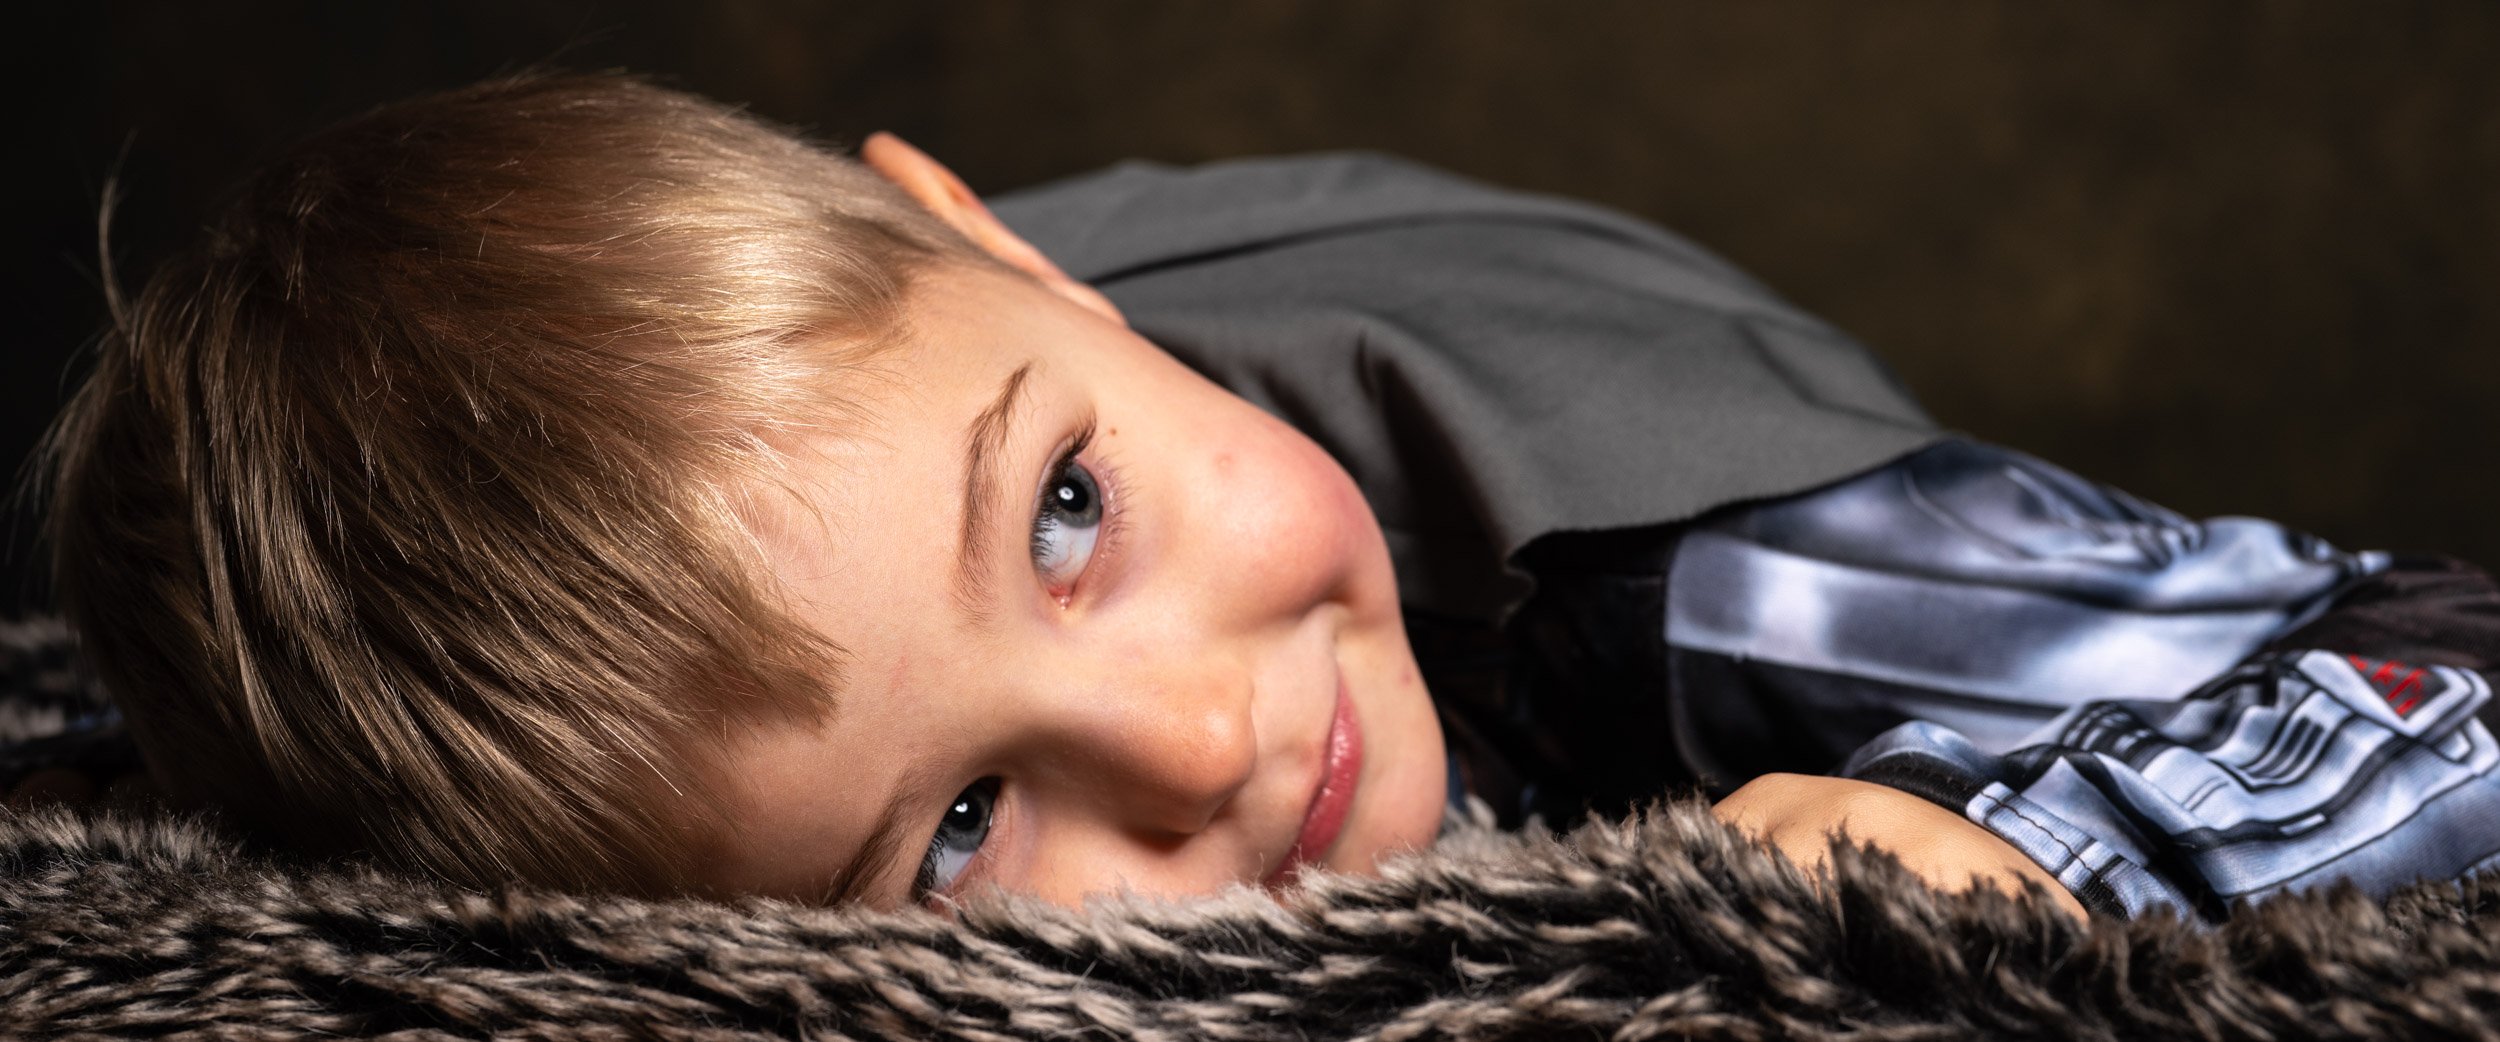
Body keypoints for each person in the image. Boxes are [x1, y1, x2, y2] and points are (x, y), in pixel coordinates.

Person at [29, 73, 2498, 924]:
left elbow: (2444, 640)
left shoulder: (1685, 555)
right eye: (965, 821)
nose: (1201, 749)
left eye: (1075, 517)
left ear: (1002, 243)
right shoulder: (916, 430)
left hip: (1587, 412)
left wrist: (2028, 858)